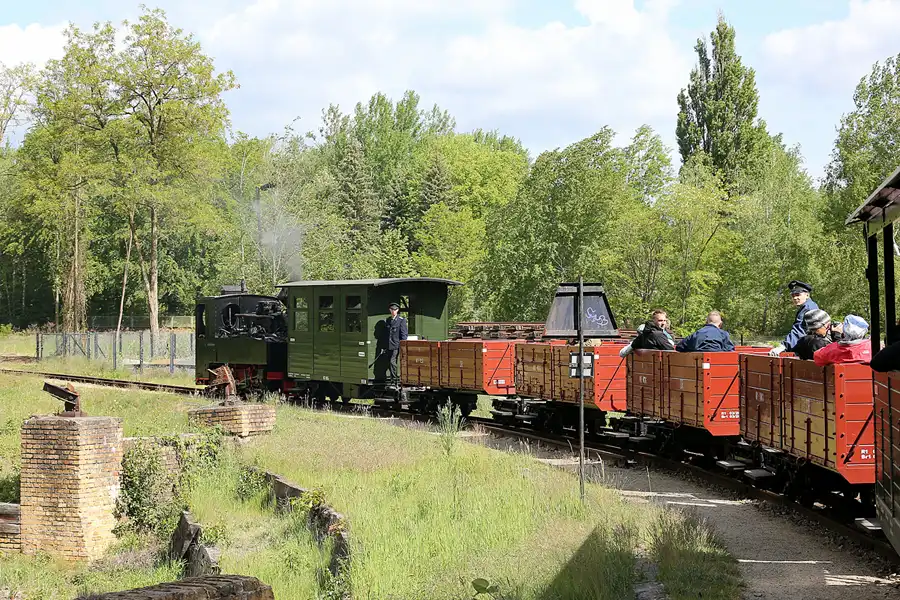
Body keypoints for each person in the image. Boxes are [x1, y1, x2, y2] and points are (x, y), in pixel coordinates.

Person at [769, 280, 818, 357]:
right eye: (793, 296)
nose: (795, 298)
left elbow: (799, 330)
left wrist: (784, 346)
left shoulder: (808, 308)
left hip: (810, 349)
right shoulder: (809, 306)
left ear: (807, 295)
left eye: (798, 295)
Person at [385, 301, 408, 383]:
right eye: (392, 309)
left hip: (396, 345)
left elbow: (404, 334)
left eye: (395, 309)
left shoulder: (401, 320)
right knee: (389, 361)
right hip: (388, 345)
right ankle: (392, 377)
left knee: (392, 361)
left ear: (397, 310)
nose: (393, 311)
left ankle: (394, 379)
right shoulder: (388, 320)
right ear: (390, 310)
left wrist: (402, 346)